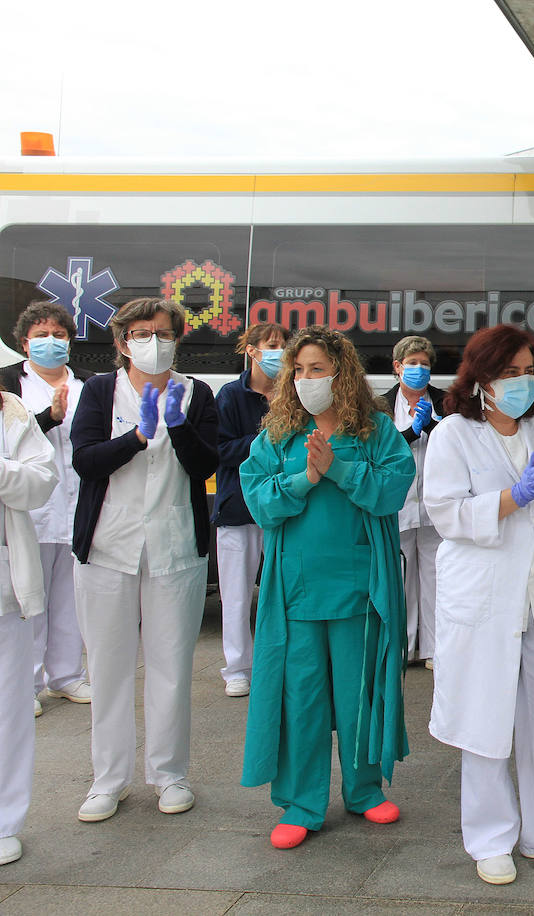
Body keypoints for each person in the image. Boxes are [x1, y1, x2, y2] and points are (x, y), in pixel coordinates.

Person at [424, 323, 534, 886]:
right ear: (480, 377)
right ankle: (490, 838)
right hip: (485, 596)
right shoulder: (453, 433)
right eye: (510, 374)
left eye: (529, 372)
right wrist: (512, 497)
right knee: (486, 721)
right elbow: (447, 513)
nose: (522, 383)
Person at [239, 325, 413, 849]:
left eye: (318, 368)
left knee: (358, 693)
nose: (307, 378)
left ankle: (362, 791)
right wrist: (305, 480)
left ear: (343, 374)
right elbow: (259, 499)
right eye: (300, 369)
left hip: (359, 590)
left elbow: (392, 491)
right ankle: (301, 802)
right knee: (303, 698)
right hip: (295, 593)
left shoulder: (376, 431)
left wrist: (338, 469)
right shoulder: (277, 435)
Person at [70, 297, 219, 823]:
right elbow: (85, 461)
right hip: (109, 546)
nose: (152, 341)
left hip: (175, 546)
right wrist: (135, 437)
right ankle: (108, 779)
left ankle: (170, 773)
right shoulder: (99, 390)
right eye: (140, 332)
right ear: (121, 341)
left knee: (171, 666)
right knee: (108, 666)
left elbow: (207, 463)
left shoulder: (197, 394)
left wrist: (176, 425)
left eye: (162, 332)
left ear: (178, 339)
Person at [1, 301, 93, 715]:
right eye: (41, 336)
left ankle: (66, 675)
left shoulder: (88, 385)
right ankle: (28, 682)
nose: (50, 343)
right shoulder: (9, 385)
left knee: (70, 599)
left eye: (58, 335)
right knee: (29, 600)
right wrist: (49, 417)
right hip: (30, 510)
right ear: (24, 343)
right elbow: (13, 442)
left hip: (77, 505)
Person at [0, 344, 61, 867]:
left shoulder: (12, 414)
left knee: (9, 707)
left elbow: (41, 482)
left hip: (4, 589)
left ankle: (3, 821)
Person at [212, 320, 287, 698]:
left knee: (280, 591)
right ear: (252, 350)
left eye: (282, 345)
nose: (279, 352)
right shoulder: (229, 395)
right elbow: (219, 450)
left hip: (282, 506)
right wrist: (261, 439)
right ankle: (237, 668)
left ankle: (276, 662)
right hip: (238, 507)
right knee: (237, 594)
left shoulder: (291, 393)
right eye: (271, 345)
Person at [385, 335, 447, 669]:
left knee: (436, 580)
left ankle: (435, 650)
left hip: (435, 507)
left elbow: (456, 438)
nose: (419, 370)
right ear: (397, 367)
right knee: (402, 579)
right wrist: (412, 431)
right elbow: (383, 447)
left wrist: (433, 426)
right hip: (399, 506)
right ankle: (405, 646)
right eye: (412, 364)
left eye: (424, 364)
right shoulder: (382, 405)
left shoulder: (446, 401)